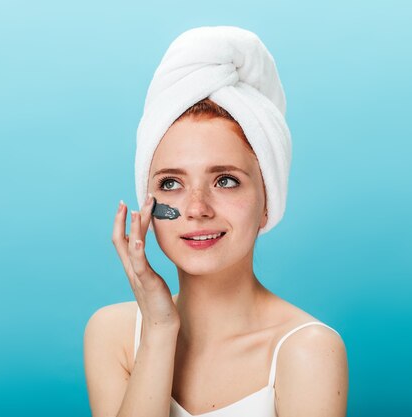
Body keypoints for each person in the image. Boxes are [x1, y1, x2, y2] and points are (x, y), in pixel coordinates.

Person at [84, 26, 348, 417]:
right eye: (171, 183)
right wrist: (159, 331)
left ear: (267, 203)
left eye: (225, 181)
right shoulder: (114, 334)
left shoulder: (306, 350)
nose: (196, 208)